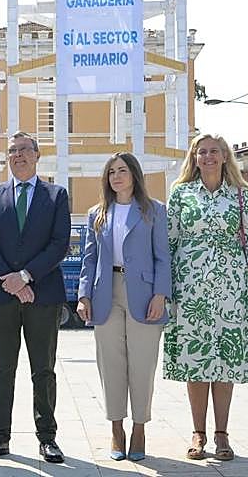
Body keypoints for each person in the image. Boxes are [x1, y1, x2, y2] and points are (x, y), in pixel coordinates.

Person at [163, 134, 248, 461]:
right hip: (189, 287)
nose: (207, 156)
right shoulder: (180, 193)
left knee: (225, 361)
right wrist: (165, 290)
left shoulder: (241, 195)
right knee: (196, 360)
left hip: (230, 288)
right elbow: (170, 242)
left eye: (213, 151)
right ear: (194, 157)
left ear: (224, 157)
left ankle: (221, 433)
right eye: (201, 151)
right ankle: (198, 432)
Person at [0, 131, 70, 464]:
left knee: (43, 369)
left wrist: (26, 277)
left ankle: (47, 438)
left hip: (43, 296)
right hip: (1, 296)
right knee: (3, 368)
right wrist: (11, 281)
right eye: (12, 151)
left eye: (24, 150)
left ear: (37, 154)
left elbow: (59, 244)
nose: (17, 156)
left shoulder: (56, 195)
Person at [76, 152, 170, 462]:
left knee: (142, 365)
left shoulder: (154, 210)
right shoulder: (97, 213)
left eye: (122, 170)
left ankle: (139, 428)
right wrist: (83, 295)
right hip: (106, 293)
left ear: (134, 175)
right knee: (111, 365)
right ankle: (116, 428)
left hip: (144, 295)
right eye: (112, 172)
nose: (117, 176)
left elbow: (162, 257)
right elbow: (88, 260)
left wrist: (161, 294)